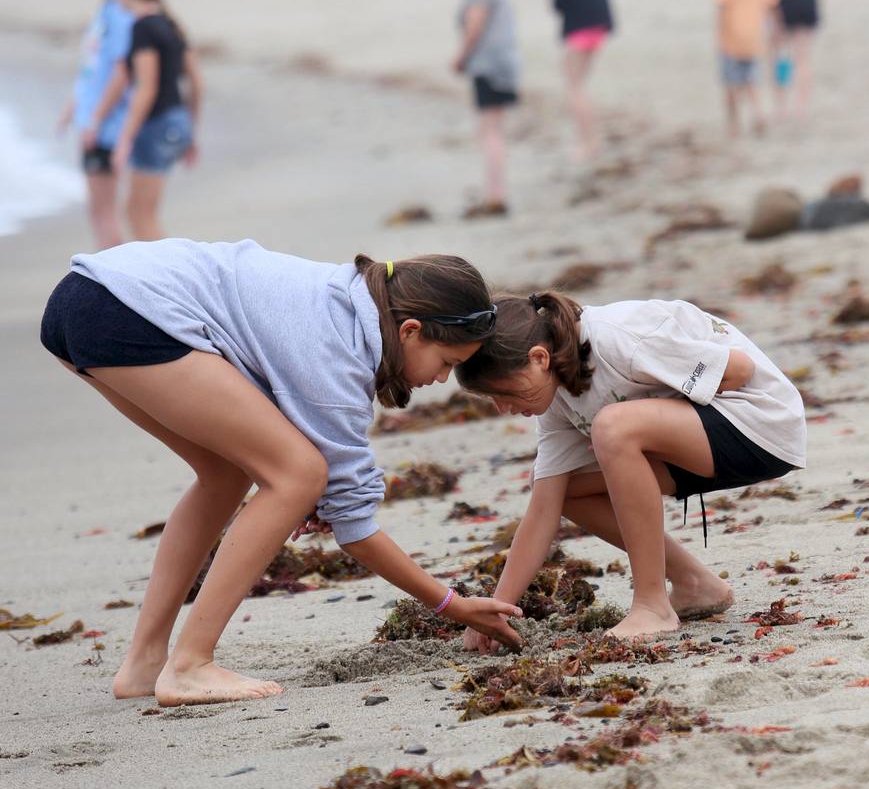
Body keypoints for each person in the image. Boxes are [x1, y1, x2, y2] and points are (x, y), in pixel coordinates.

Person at [39, 241, 524, 706]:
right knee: (295, 475)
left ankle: (146, 662)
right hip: (128, 308)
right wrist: (451, 605)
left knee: (228, 470)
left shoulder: (348, 302)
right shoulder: (338, 351)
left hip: (87, 296)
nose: (441, 380)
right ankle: (189, 664)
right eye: (446, 363)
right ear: (411, 330)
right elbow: (354, 527)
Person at [455, 293, 806, 645]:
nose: (502, 408)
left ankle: (652, 605)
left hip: (760, 424)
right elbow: (543, 508)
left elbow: (738, 370)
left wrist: (653, 421)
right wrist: (496, 609)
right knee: (562, 487)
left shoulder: (615, 338)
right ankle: (694, 583)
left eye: (503, 393)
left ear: (538, 358)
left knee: (613, 427)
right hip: (699, 451)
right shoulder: (555, 400)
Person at [85, 0, 202, 242]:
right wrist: (191, 131)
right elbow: (196, 83)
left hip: (156, 126)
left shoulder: (143, 28)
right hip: (176, 122)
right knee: (142, 212)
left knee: (140, 216)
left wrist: (124, 139)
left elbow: (145, 88)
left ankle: (168, 282)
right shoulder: (171, 24)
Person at [58, 0, 133, 248]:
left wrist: (97, 120)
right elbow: (93, 69)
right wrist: (72, 108)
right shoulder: (107, 7)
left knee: (104, 211)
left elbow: (122, 73)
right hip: (94, 121)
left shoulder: (119, 11)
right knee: (97, 209)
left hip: (105, 127)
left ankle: (114, 286)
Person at [448, 0, 519, 218]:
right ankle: (496, 192)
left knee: (489, 131)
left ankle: (495, 194)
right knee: (494, 129)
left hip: (489, 66)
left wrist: (460, 58)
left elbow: (475, 27)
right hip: (504, 65)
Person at [546, 0, 615, 162]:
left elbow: (558, 4)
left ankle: (589, 143)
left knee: (574, 86)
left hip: (580, 29)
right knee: (579, 84)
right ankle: (590, 140)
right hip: (600, 26)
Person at [713, 0, 778, 137]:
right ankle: (758, 115)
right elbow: (771, 3)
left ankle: (734, 126)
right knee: (751, 81)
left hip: (730, 38)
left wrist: (718, 34)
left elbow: (722, 4)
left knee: (730, 84)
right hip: (754, 36)